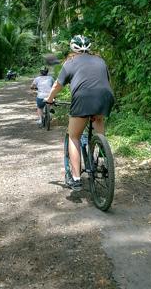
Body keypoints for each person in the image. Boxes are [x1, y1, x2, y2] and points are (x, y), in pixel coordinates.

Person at [45, 35, 114, 191]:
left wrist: (49, 99)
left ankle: (76, 178)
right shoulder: (100, 61)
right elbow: (106, 81)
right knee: (98, 119)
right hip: (105, 96)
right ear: (90, 48)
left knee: (74, 136)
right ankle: (102, 151)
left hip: (83, 99)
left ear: (72, 48)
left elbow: (57, 85)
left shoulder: (70, 63)